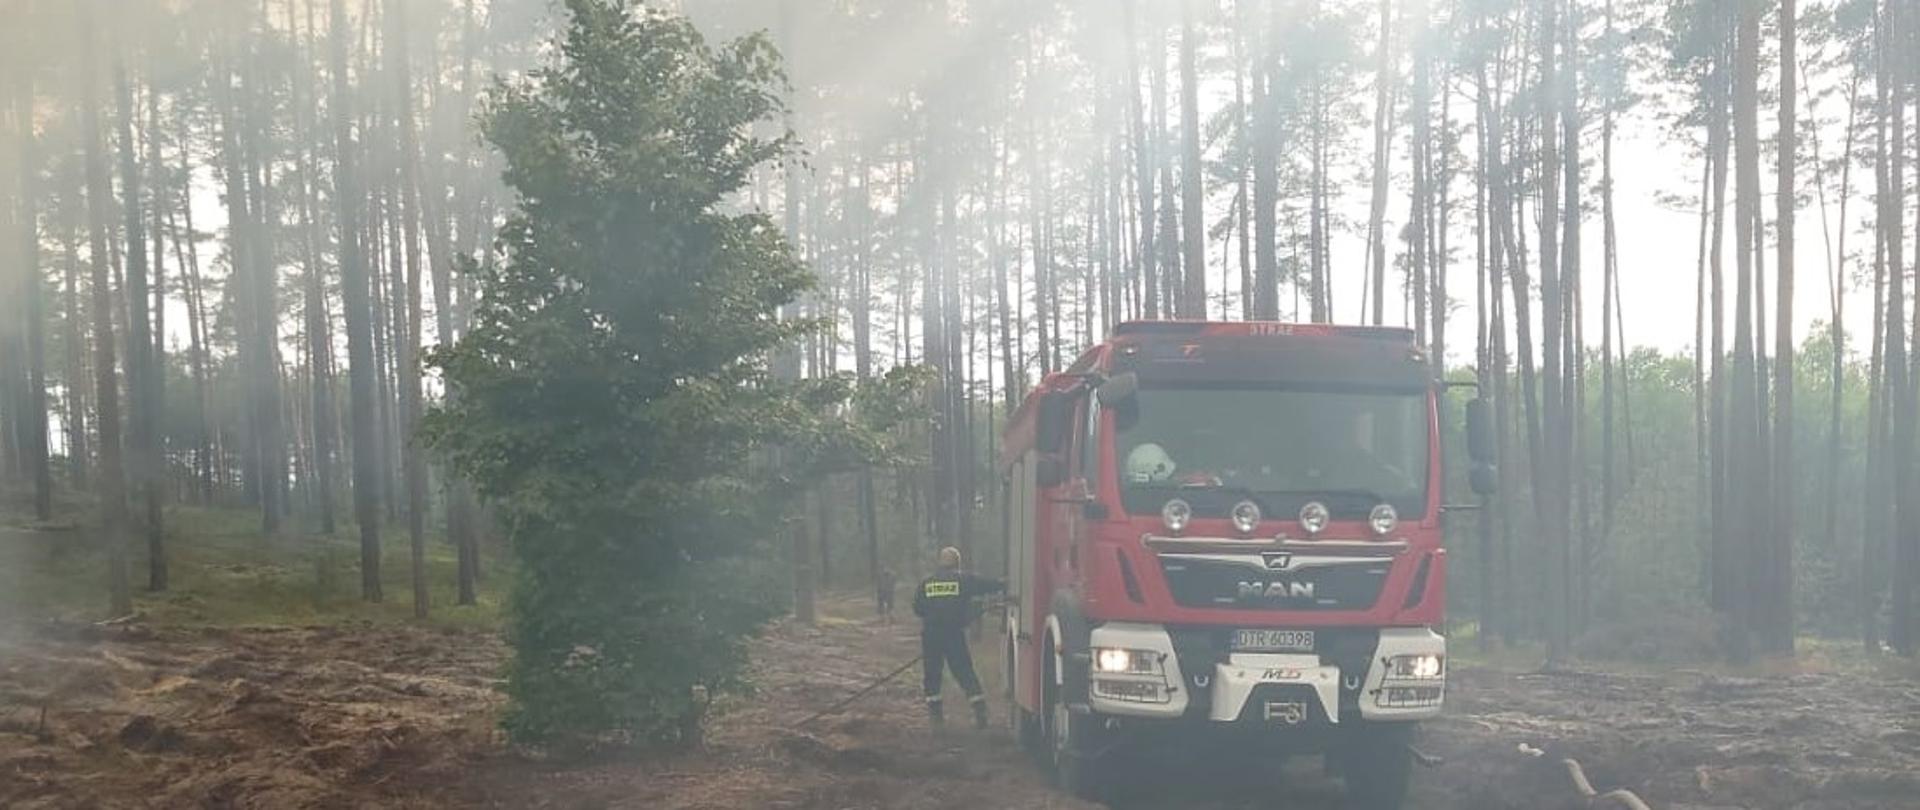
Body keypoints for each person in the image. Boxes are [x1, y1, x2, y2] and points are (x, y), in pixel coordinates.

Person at [913, 546, 1004, 729]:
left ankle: (936, 717)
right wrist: (1004, 583)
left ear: (940, 562)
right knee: (964, 671)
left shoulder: (927, 583)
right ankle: (980, 712)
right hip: (953, 634)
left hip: (931, 635)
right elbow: (986, 585)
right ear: (957, 563)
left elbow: (918, 608)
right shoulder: (963, 580)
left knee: (932, 674)